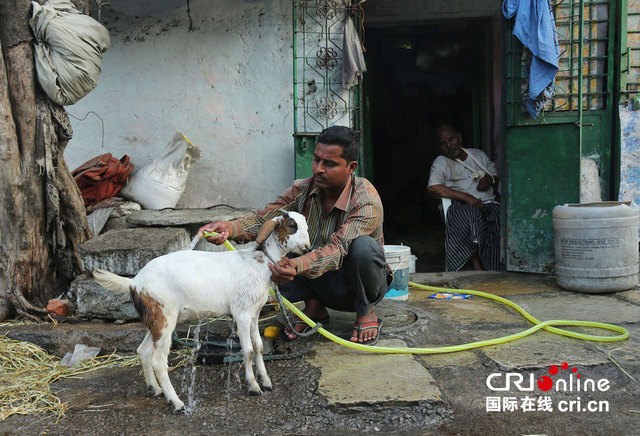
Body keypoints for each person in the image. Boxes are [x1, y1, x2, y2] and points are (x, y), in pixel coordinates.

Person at [198, 126, 390, 345]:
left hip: (352, 287)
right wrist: (230, 228)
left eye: (330, 164)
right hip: (315, 280)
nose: (318, 169)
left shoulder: (366, 200)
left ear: (351, 167)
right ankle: (313, 307)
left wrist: (296, 265)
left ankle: (366, 312)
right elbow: (266, 219)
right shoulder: (304, 189)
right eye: (316, 159)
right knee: (274, 243)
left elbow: (339, 249)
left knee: (363, 248)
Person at [427, 124, 504, 271]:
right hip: (461, 205)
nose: (449, 145)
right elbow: (433, 187)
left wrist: (489, 180)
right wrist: (466, 197)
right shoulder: (441, 162)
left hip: (488, 204)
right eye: (443, 143)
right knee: (470, 218)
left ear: (459, 137)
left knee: (498, 220)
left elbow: (494, 175)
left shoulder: (478, 155)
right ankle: (477, 266)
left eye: (451, 139)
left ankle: (494, 268)